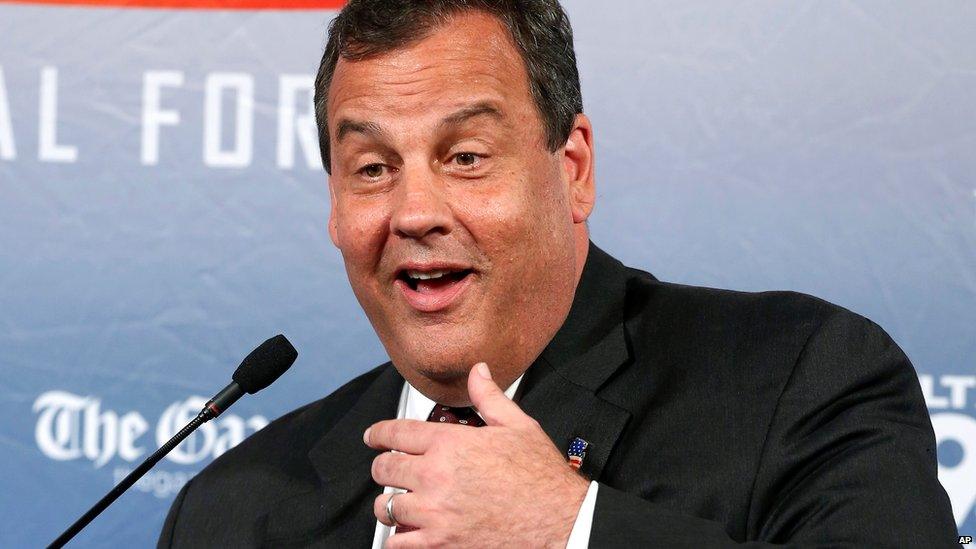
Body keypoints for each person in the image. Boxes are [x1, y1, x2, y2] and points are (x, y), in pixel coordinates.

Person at [158, 1, 959, 547]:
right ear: (333, 210)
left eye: (465, 157)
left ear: (572, 169)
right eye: (370, 168)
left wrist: (570, 527)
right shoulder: (235, 510)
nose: (412, 211)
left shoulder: (799, 377)